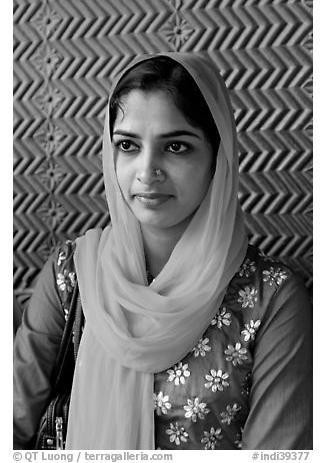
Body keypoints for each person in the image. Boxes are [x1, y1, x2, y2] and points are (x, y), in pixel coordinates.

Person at [13, 52, 312, 450]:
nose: (146, 170)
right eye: (128, 145)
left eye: (176, 146)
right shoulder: (73, 274)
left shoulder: (272, 299)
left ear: (218, 159)